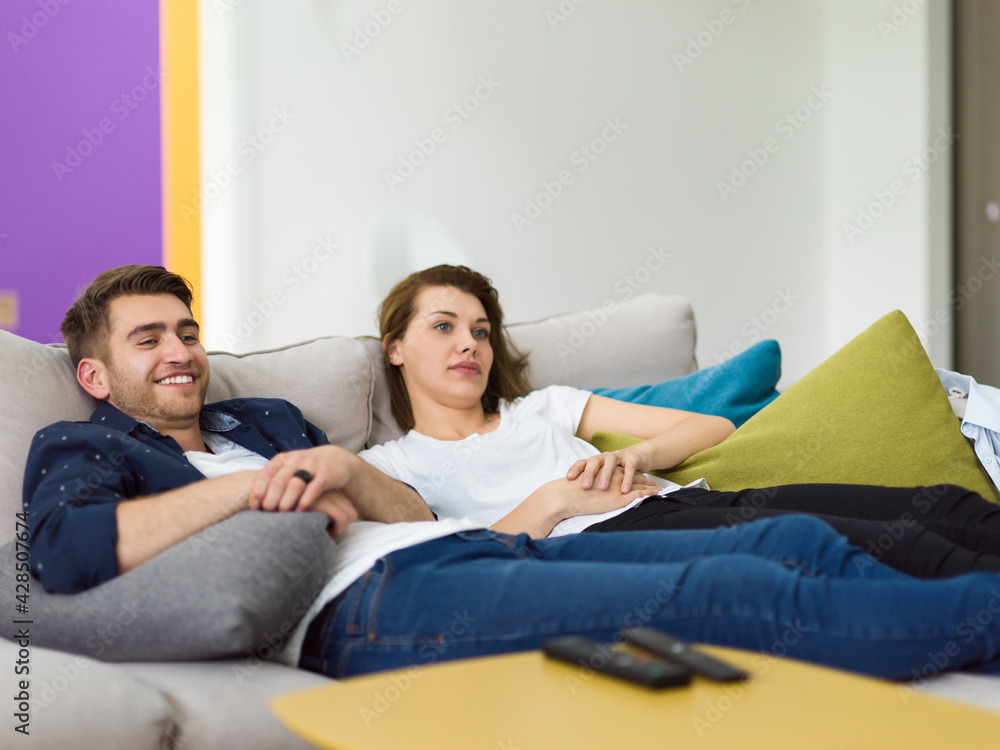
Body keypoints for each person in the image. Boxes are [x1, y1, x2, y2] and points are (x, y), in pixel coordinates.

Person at [24, 264, 1000, 682]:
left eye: (188, 331)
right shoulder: (88, 449)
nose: (182, 353)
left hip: (455, 546)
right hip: (363, 609)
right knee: (726, 591)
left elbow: (405, 504)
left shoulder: (263, 418)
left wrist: (341, 474)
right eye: (149, 340)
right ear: (96, 373)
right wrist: (244, 489)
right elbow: (66, 557)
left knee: (787, 538)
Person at [360, 264, 1000, 580]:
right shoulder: (389, 466)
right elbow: (451, 560)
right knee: (891, 550)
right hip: (611, 546)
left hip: (682, 500)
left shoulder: (541, 408)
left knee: (941, 505)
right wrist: (555, 498)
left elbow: (711, 430)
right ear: (395, 347)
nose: (469, 344)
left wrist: (638, 457)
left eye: (479, 331)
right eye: (442, 327)